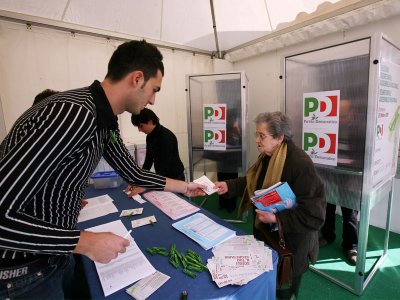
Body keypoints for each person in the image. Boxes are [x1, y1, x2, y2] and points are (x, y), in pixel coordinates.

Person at [0, 40, 205, 299]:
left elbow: (135, 174)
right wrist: (84, 241)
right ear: (137, 78)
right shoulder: (74, 114)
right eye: (154, 90)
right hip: (23, 273)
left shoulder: (104, 120)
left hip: (56, 254)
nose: (153, 99)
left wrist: (186, 186)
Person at [214, 112, 325, 299]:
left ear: (279, 137)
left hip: (291, 246)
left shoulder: (300, 164)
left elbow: (315, 215)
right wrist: (229, 185)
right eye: (256, 134)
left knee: (283, 291)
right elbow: (255, 183)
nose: (257, 140)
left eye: (262, 136)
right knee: (268, 288)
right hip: (269, 239)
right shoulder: (269, 156)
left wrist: (276, 218)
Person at [319, 99, 362, 265]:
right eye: (338, 115)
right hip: (330, 175)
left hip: (350, 177)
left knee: (349, 212)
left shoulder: (359, 130)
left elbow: (361, 155)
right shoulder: (330, 127)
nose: (340, 118)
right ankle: (328, 235)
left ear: (351, 113)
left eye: (344, 115)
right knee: (327, 207)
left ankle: (351, 246)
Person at [125, 107, 185, 195]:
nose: (139, 130)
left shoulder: (166, 137)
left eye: (141, 126)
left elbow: (164, 166)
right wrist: (138, 180)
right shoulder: (149, 137)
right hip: (162, 177)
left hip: (175, 177)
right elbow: (148, 161)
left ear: (150, 121)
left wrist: (146, 185)